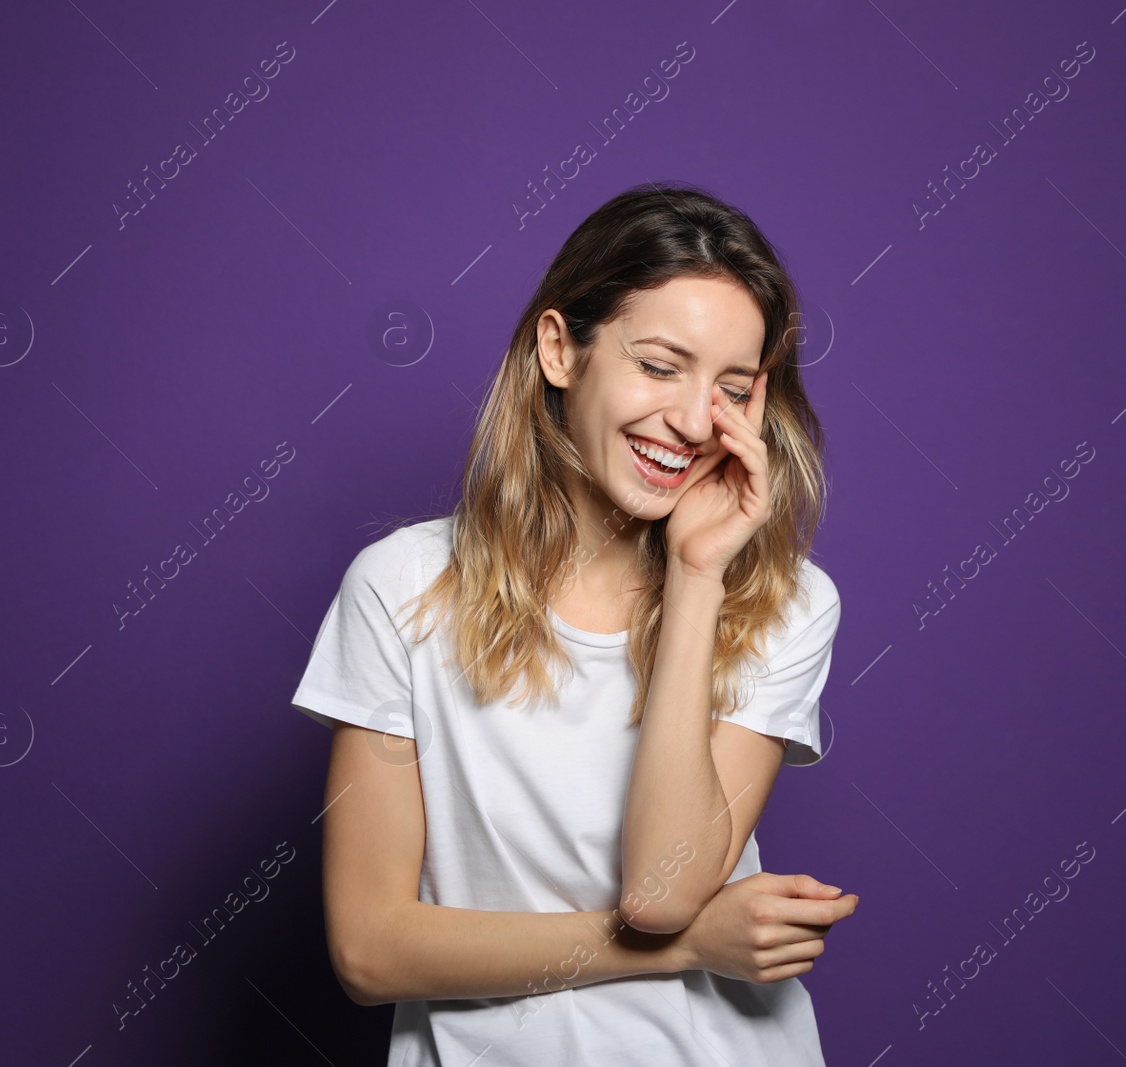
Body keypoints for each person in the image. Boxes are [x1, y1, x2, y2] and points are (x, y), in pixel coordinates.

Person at [291, 181, 859, 1066]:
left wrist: (698, 574)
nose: (690, 420)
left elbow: (661, 890)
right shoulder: (400, 586)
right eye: (661, 365)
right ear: (561, 349)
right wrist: (686, 949)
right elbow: (369, 950)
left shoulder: (786, 602)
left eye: (733, 388)